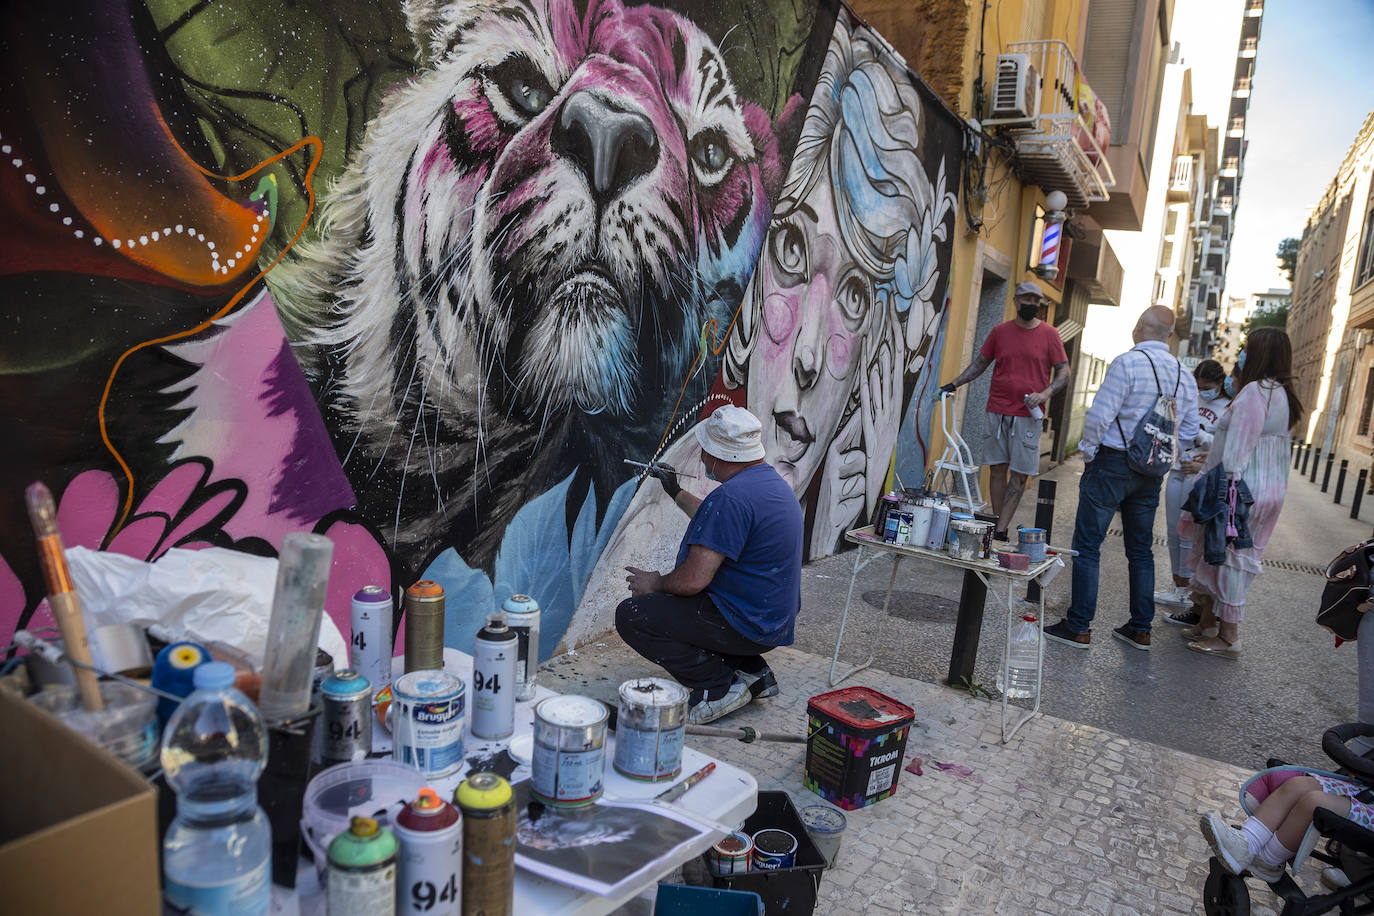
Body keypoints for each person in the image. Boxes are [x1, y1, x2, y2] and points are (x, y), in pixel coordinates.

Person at [721, 17, 957, 558]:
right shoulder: (672, 497)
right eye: (791, 253)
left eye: (852, 294)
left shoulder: (835, 494)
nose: (807, 357)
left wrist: (840, 518)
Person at [614, 405, 804, 724]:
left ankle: (718, 686)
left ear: (722, 455)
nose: (702, 458)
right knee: (690, 607)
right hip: (770, 623)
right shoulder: (768, 486)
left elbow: (693, 580)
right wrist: (674, 490)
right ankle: (752, 671)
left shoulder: (731, 498)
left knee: (634, 614)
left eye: (706, 451)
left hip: (746, 624)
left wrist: (655, 584)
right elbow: (718, 524)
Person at [1044, 305, 1200, 650]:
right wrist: (1165, 457)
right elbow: (1187, 430)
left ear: (1137, 329)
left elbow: (1100, 415)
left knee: (1088, 546)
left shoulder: (1127, 363)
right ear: (1170, 336)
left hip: (1112, 463)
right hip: (1151, 472)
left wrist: (1089, 453)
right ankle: (1140, 628)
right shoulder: (1184, 375)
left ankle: (1079, 626)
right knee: (1141, 550)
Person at [1180, 327, 1303, 658]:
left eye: (1247, 348)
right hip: (1267, 489)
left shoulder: (1254, 392)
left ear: (1259, 353)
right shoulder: (1282, 393)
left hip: (1239, 490)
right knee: (1220, 554)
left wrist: (1217, 487)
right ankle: (1207, 622)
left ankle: (1228, 637)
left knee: (1229, 559)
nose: (1242, 354)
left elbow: (1237, 452)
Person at [939, 280, 1070, 539]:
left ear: (1039, 304)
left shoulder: (1050, 335)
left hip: (1027, 416)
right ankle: (998, 527)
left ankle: (999, 529)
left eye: (1035, 301)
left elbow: (1064, 372)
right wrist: (954, 383)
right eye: (1026, 299)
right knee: (997, 469)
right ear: (1016, 301)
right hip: (997, 412)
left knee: (1020, 476)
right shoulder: (1000, 332)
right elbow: (980, 363)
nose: (1031, 304)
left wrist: (1045, 393)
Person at [1156, 359, 1231, 618]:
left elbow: (1226, 443)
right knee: (1173, 531)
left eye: (1207, 387)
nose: (1202, 391)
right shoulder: (1192, 398)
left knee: (1189, 535)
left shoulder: (1227, 406)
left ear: (1220, 383)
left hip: (1201, 475)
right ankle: (1177, 585)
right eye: (1199, 386)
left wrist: (1201, 437)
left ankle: (1189, 590)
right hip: (1178, 467)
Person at [1200, 772, 1369, 883]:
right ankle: (1247, 842)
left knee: (1315, 803)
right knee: (1297, 784)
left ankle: (1268, 861)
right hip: (1366, 788)